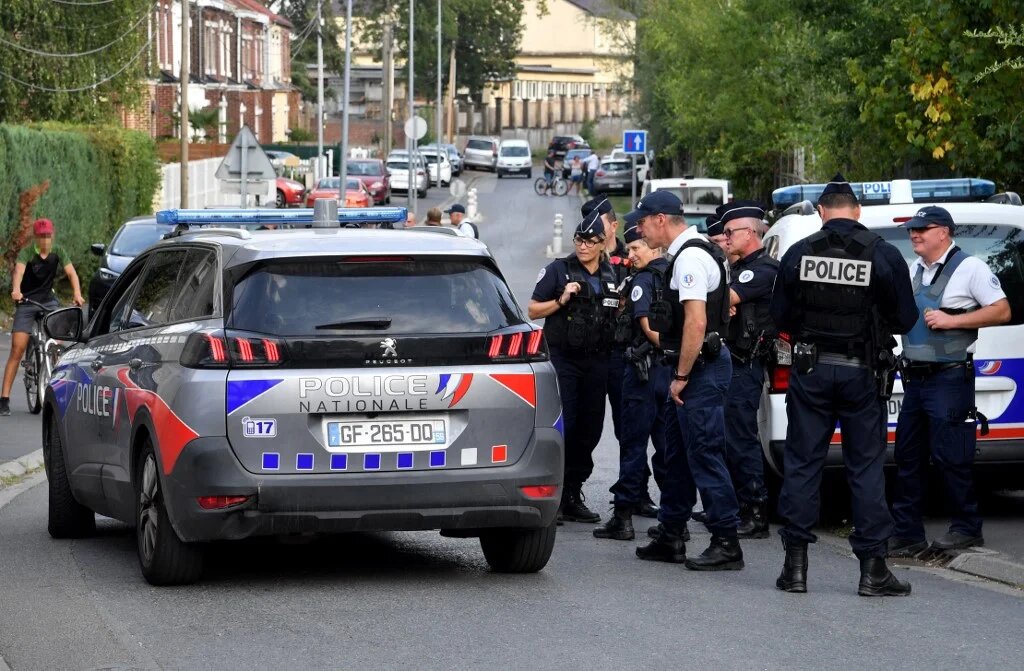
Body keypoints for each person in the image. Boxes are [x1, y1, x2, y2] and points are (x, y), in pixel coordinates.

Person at [769, 174, 918, 596]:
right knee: (865, 468)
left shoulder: (799, 253)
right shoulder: (882, 253)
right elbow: (905, 318)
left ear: (821, 212)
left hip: (811, 372)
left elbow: (780, 316)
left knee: (803, 464)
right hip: (862, 373)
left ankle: (795, 568)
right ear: (857, 212)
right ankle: (873, 570)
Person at [630, 191, 743, 571]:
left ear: (661, 219)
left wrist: (681, 375)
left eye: (643, 223)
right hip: (695, 364)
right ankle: (671, 534)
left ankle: (726, 541)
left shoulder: (691, 257)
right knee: (677, 455)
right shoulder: (695, 251)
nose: (640, 231)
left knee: (705, 453)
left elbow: (696, 322)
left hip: (698, 368)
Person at [888, 206, 1011, 557]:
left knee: (951, 456)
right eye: (912, 229)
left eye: (922, 229)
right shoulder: (914, 269)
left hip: (949, 377)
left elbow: (1002, 310)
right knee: (907, 456)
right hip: (915, 378)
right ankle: (908, 534)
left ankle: (967, 528)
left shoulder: (970, 267)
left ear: (943, 232)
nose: (914, 234)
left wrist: (953, 321)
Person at [529, 210, 620, 523]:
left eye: (590, 241)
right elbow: (533, 310)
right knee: (564, 426)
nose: (583, 246)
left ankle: (572, 492)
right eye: (579, 240)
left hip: (598, 362)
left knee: (590, 429)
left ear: (602, 244)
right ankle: (554, 496)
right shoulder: (558, 271)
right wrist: (561, 300)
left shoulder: (611, 273)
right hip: (564, 360)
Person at [594, 219, 670, 540]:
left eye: (637, 248)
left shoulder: (643, 281)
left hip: (643, 373)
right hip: (668, 372)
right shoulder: (673, 273)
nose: (631, 255)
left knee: (633, 444)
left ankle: (623, 517)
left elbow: (647, 326)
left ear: (655, 248)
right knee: (667, 447)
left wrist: (668, 345)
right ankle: (673, 521)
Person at [719, 200, 778, 539]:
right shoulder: (741, 268)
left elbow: (724, 299)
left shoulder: (762, 269)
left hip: (746, 363)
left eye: (730, 233)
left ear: (750, 233)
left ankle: (755, 511)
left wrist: (718, 297)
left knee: (741, 437)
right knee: (729, 436)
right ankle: (736, 506)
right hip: (734, 362)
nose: (725, 239)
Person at [2, 218, 84, 417]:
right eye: (41, 236)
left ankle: (58, 386)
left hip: (48, 301)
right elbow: (19, 272)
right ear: (35, 237)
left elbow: (71, 274)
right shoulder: (27, 253)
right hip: (27, 301)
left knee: (57, 341)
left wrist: (77, 293)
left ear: (52, 235)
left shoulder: (58, 251)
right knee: (17, 348)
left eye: (47, 236)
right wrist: (16, 290)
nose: (45, 240)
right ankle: (4, 398)